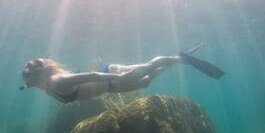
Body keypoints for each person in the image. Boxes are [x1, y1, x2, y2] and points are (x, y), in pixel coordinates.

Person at [21, 43, 224, 103]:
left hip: (111, 76)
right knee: (146, 82)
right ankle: (180, 60)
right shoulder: (48, 86)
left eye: (25, 72)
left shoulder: (56, 81)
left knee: (149, 66)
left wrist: (118, 77)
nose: (23, 77)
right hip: (111, 86)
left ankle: (181, 59)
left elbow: (92, 76)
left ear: (35, 74)